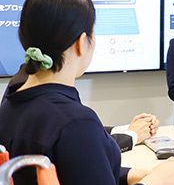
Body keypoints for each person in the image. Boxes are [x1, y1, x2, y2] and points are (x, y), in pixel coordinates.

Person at [0, 0, 174, 185]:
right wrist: (155, 183)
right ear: (81, 42)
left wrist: (132, 175)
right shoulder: (75, 122)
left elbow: (69, 175)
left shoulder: (13, 98)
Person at [2, 64, 158, 153]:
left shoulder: (19, 84)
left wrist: (128, 129)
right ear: (81, 42)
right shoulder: (69, 113)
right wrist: (132, 135)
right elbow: (87, 147)